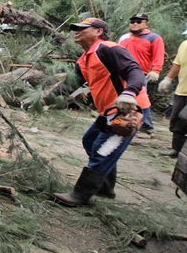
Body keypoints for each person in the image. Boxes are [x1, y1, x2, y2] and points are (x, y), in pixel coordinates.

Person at [54, 18, 151, 206]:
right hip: (108, 111)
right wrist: (44, 98)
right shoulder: (84, 59)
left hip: (129, 110)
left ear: (98, 31)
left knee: (103, 150)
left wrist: (129, 92)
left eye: (83, 28)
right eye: (75, 29)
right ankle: (105, 186)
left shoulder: (108, 49)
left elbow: (135, 71)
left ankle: (80, 195)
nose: (77, 31)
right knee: (89, 141)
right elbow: (71, 84)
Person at [118, 13, 164, 134]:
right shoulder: (124, 38)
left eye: (139, 21)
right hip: (121, 74)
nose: (135, 24)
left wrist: (156, 70)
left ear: (146, 24)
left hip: (140, 74)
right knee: (124, 99)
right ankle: (126, 125)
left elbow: (158, 55)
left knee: (141, 100)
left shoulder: (153, 38)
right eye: (132, 21)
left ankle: (147, 129)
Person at [157, 27, 187, 158]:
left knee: (185, 117)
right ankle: (176, 149)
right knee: (176, 120)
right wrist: (168, 79)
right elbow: (178, 64)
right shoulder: (185, 44)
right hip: (182, 90)